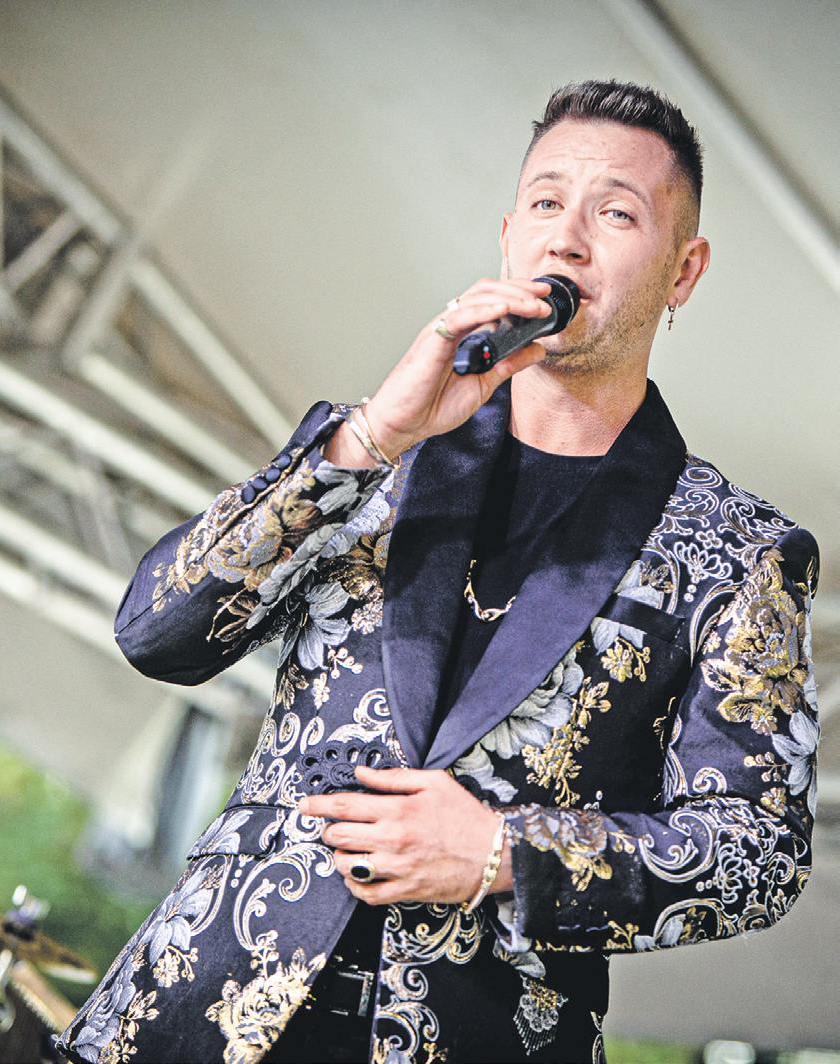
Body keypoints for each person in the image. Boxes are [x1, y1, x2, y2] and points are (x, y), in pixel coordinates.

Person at [57, 80, 819, 1063]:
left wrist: (503, 854)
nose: (566, 239)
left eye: (615, 214)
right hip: (201, 1011)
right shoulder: (372, 452)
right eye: (544, 202)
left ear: (683, 271)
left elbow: (757, 852)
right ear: (507, 236)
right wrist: (370, 435)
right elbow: (156, 632)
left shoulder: (739, 549)